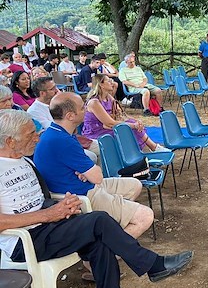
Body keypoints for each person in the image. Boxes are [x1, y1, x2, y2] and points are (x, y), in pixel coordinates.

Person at [0, 109, 193, 288]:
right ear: (9, 141)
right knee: (98, 220)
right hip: (24, 241)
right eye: (30, 135)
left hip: (46, 227)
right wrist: (48, 214)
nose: (36, 137)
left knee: (99, 243)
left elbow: (39, 199)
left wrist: (63, 205)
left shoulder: (25, 162)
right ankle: (153, 265)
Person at [34, 92, 154, 240]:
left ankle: (110, 226)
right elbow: (97, 177)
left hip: (82, 185)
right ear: (70, 116)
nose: (86, 109)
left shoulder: (58, 133)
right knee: (145, 216)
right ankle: (106, 253)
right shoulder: (62, 140)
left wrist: (86, 171)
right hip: (81, 194)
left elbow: (88, 172)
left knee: (134, 185)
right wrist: (89, 171)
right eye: (82, 107)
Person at [82, 74, 166, 152]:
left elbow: (121, 114)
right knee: (130, 128)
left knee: (133, 124)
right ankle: (152, 148)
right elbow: (110, 123)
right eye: (108, 81)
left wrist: (136, 121)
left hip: (107, 127)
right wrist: (133, 125)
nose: (112, 83)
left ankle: (149, 149)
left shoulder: (108, 97)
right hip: (97, 132)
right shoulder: (94, 102)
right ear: (101, 85)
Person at [27, 77, 100, 163]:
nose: (57, 90)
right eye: (52, 89)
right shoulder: (34, 111)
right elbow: (56, 129)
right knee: (93, 155)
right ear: (42, 93)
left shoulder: (57, 103)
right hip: (57, 145)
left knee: (102, 146)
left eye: (56, 87)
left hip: (71, 139)